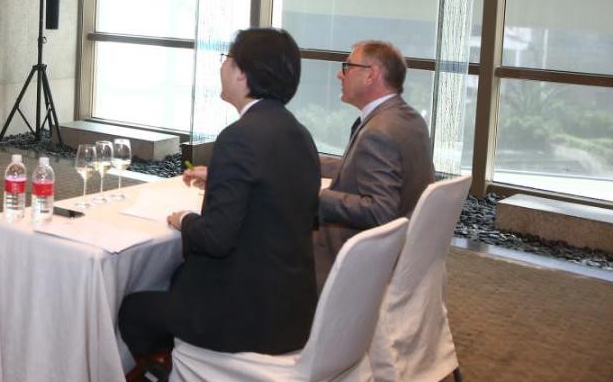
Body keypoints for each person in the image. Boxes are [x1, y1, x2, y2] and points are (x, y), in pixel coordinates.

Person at [117, 28, 321, 382]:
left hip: (242, 318)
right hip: (292, 312)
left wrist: (185, 219)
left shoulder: (239, 137)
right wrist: (221, 179)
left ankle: (167, 372)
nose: (222, 67)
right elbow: (276, 196)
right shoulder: (299, 134)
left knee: (133, 310)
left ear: (243, 73)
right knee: (174, 281)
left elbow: (215, 239)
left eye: (226, 58)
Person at [314, 40, 434, 289]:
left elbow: (379, 211)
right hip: (400, 246)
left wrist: (314, 197)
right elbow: (362, 164)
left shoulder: (378, 133)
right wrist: (309, 162)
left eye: (348, 66)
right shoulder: (408, 118)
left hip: (355, 252)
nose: (340, 75)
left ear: (371, 75)